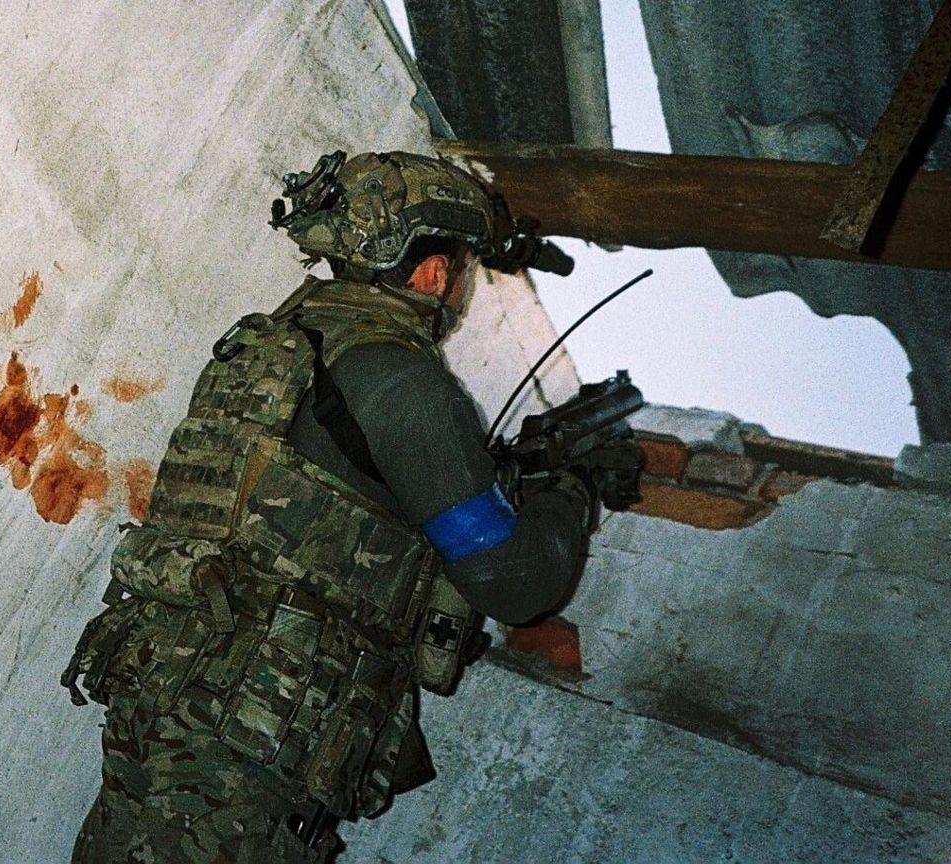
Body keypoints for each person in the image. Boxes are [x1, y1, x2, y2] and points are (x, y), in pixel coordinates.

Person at [63, 150, 603, 862]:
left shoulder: (271, 346)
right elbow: (517, 581)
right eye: (464, 268)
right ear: (434, 272)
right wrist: (572, 493)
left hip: (166, 704)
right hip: (244, 753)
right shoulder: (404, 386)